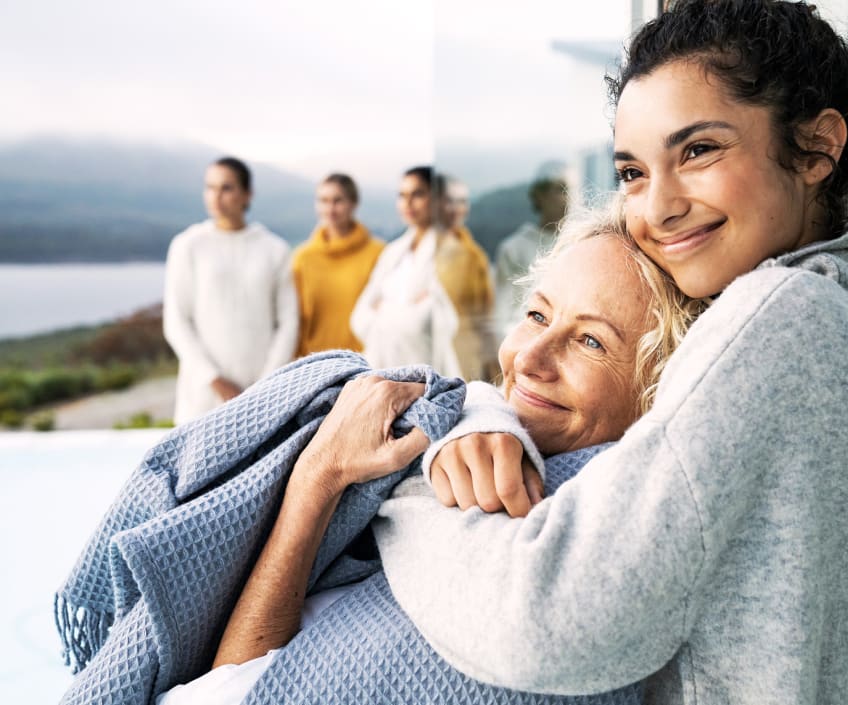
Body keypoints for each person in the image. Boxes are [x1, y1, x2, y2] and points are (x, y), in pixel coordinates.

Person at [369, 2, 848, 704]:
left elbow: (543, 619)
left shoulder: (779, 318)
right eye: (632, 171)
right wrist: (485, 410)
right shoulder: (846, 324)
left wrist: (406, 487)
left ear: (816, 149)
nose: (656, 208)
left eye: (698, 151)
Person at [148, 203, 702, 704]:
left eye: (591, 342)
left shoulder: (582, 557)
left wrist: (330, 473)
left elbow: (224, 693)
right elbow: (233, 680)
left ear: (663, 383)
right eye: (536, 315)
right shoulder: (458, 437)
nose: (528, 359)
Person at [163, 157, 297, 424]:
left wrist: (264, 386)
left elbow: (288, 322)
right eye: (210, 187)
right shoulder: (188, 245)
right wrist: (214, 379)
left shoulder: (274, 249)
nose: (216, 196)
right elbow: (176, 321)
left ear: (247, 194)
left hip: (261, 397)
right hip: (202, 395)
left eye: (226, 188)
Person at [350, 166, 461, 376]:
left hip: (429, 373)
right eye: (402, 195)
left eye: (417, 194)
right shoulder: (392, 253)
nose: (408, 203)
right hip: (381, 370)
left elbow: (442, 322)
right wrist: (409, 311)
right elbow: (359, 318)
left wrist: (384, 309)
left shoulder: (451, 252)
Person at [291, 173, 384, 356]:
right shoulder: (303, 258)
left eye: (338, 201)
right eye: (323, 201)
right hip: (314, 363)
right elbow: (296, 320)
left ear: (354, 203)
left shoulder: (378, 253)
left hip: (366, 361)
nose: (330, 208)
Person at [433, 174, 498, 380]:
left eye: (461, 201)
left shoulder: (474, 256)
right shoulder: (409, 252)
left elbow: (485, 316)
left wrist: (493, 365)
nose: (456, 208)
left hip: (466, 357)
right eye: (448, 201)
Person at [493, 161, 569, 337]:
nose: (567, 197)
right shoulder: (513, 249)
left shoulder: (584, 245)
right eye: (560, 189)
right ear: (540, 195)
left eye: (571, 189)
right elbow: (503, 313)